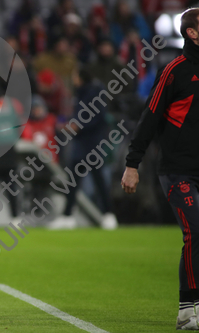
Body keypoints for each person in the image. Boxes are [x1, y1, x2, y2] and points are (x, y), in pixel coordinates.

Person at [121, 8, 199, 330]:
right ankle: (189, 307)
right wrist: (132, 164)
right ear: (192, 33)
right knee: (196, 231)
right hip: (178, 169)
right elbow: (150, 116)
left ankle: (189, 308)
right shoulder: (174, 71)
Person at [48, 68, 118, 230]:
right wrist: (71, 125)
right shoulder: (82, 93)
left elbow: (98, 118)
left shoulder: (95, 92)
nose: (73, 80)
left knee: (98, 178)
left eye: (75, 76)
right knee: (74, 180)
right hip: (81, 142)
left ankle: (108, 215)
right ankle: (68, 216)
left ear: (81, 77)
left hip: (92, 142)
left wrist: (77, 126)